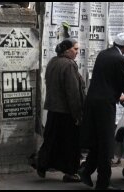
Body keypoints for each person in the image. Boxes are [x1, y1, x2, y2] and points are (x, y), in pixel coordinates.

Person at [78, 33, 124, 190]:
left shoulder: (103, 54)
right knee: (107, 144)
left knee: (97, 140)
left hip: (93, 102)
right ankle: (102, 183)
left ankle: (86, 170)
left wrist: (118, 96)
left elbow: (105, 81)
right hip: (104, 106)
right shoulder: (120, 59)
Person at [37, 38, 86, 182]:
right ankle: (71, 172)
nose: (77, 52)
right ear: (67, 50)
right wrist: (77, 114)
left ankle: (42, 164)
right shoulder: (69, 65)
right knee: (71, 143)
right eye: (75, 49)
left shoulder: (53, 61)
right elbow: (72, 92)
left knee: (51, 139)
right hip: (66, 112)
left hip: (53, 109)